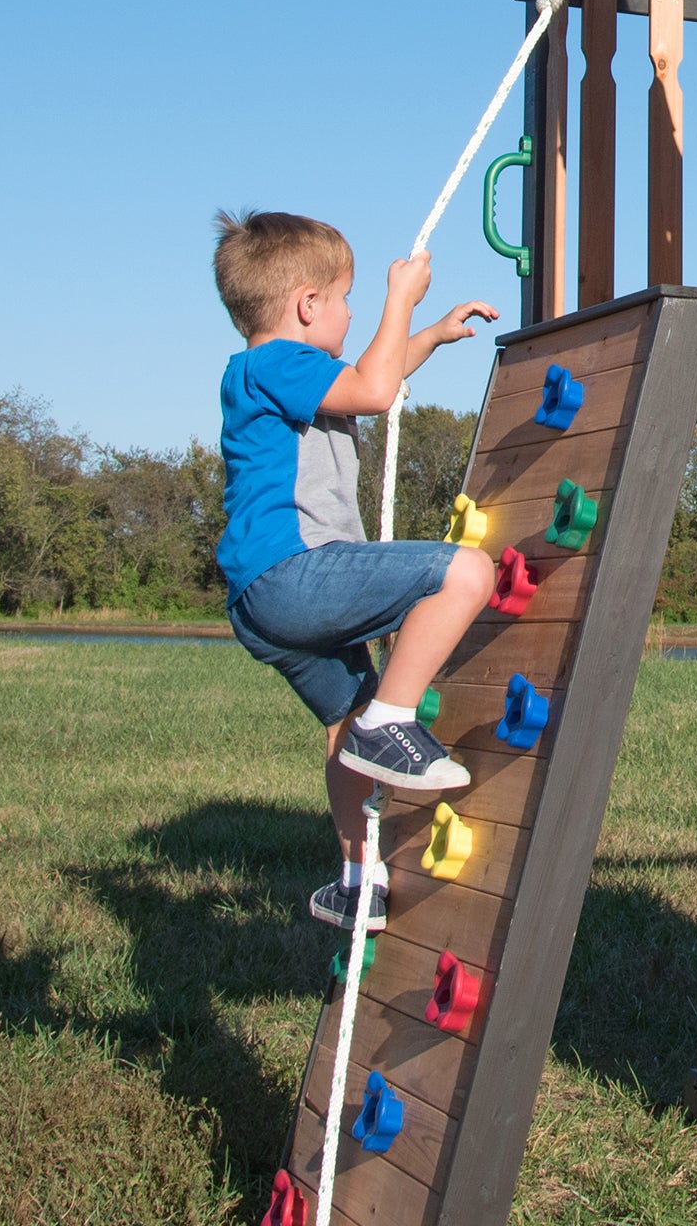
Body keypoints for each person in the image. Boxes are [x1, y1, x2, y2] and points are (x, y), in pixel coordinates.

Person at [212, 208, 500, 933]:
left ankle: (356, 879)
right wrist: (400, 298)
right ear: (308, 305)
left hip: (262, 601)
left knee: (344, 725)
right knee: (464, 572)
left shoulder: (272, 374)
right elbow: (372, 392)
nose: (352, 313)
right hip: (296, 576)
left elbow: (373, 377)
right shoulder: (275, 363)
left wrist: (426, 335)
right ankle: (393, 722)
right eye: (346, 301)